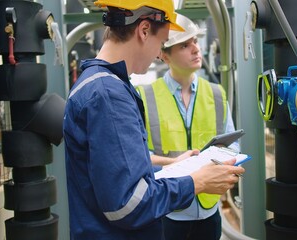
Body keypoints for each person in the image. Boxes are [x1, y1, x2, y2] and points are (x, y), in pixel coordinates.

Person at [63, 0, 245, 239]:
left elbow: (117, 171)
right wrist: (195, 182)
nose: (158, 55)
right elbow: (128, 205)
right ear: (144, 30)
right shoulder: (108, 95)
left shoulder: (96, 83)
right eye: (161, 43)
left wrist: (170, 165)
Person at [136, 14, 239, 240]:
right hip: (168, 210)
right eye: (185, 45)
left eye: (194, 41)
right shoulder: (145, 97)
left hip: (209, 210)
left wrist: (227, 166)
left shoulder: (216, 93)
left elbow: (233, 145)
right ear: (164, 55)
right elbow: (139, 157)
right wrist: (172, 165)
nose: (195, 49)